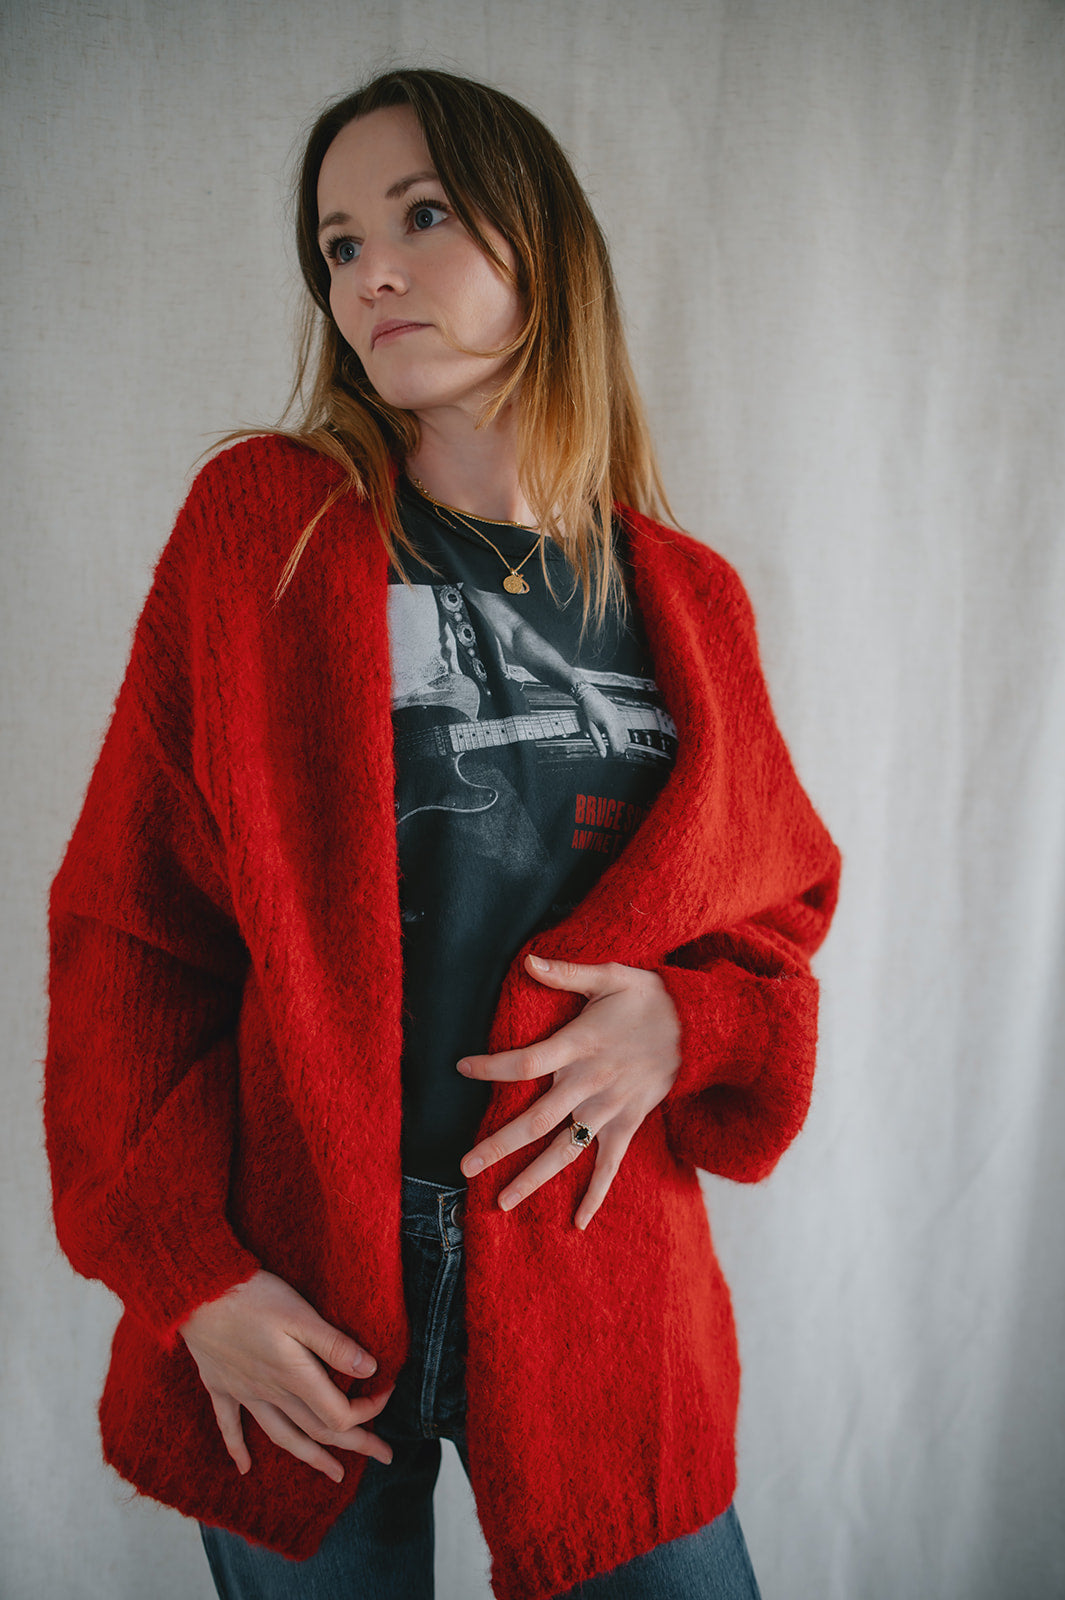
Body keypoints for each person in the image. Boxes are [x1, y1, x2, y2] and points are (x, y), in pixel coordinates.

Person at [44, 67, 840, 1600]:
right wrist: (189, 1280)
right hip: (295, 1288)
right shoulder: (265, 530)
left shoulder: (689, 599)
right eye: (338, 244)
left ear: (543, 247)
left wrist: (686, 1024)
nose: (371, 274)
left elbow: (774, 923)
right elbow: (131, 929)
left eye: (421, 217)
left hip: (598, 1275)